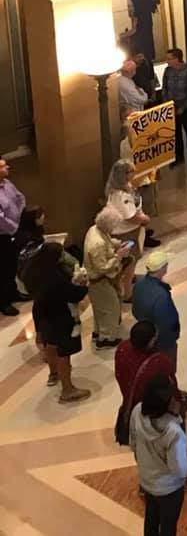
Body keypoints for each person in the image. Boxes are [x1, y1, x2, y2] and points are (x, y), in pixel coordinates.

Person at [130, 374, 187, 534]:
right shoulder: (173, 432)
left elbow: (133, 444)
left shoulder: (137, 411)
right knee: (168, 524)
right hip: (169, 489)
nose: (176, 400)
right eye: (172, 397)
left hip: (147, 480)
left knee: (151, 517)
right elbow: (180, 469)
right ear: (166, 404)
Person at [22, 241, 90, 403]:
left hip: (41, 312)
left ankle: (53, 374)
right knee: (63, 353)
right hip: (59, 316)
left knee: (49, 345)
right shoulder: (54, 278)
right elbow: (73, 294)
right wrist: (83, 285)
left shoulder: (31, 271)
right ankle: (68, 389)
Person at [115, 322, 182, 442]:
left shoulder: (122, 349)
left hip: (130, 404)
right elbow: (171, 387)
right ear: (150, 343)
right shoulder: (159, 362)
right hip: (154, 412)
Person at [103, 159, 152, 299]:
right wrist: (144, 220)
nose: (135, 173)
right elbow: (130, 216)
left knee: (133, 259)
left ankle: (129, 279)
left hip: (132, 230)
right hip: (124, 232)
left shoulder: (126, 187)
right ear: (124, 174)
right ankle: (127, 292)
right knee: (129, 260)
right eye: (132, 171)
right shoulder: (119, 195)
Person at [83, 205, 129, 349]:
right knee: (110, 308)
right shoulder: (97, 244)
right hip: (99, 280)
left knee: (100, 308)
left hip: (98, 280)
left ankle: (99, 332)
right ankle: (106, 339)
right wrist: (118, 256)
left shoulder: (95, 229)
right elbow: (102, 268)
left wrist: (118, 244)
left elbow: (108, 242)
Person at [132, 251, 181, 372]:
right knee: (167, 369)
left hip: (146, 336)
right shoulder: (161, 296)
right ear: (162, 269)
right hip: (163, 341)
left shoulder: (138, 285)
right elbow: (168, 323)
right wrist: (174, 335)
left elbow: (135, 310)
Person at [0, 156, 27, 316]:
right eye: (3, 166)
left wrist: (19, 216)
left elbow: (20, 198)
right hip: (2, 235)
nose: (7, 167)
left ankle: (13, 292)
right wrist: (14, 226)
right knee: (2, 269)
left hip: (14, 230)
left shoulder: (8, 184)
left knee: (12, 266)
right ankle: (3, 301)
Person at [161, 48, 187, 166]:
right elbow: (165, 88)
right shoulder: (167, 71)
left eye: (169, 59)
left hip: (186, 108)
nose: (167, 61)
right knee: (175, 134)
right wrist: (168, 104)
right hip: (172, 107)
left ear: (177, 59)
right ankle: (178, 157)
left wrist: (183, 107)